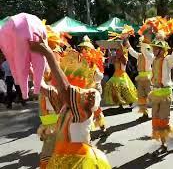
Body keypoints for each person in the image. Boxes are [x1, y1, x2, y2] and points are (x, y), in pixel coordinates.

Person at [29, 34, 111, 169]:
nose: (58, 86)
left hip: (80, 160)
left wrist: (49, 54)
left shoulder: (90, 95)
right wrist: (31, 71)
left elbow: (65, 89)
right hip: (61, 158)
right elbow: (45, 88)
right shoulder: (62, 98)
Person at [148, 32, 173, 155]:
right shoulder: (153, 60)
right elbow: (144, 51)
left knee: (164, 121)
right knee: (156, 121)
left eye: (155, 48)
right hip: (155, 93)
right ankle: (163, 145)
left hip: (165, 94)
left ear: (161, 50)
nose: (153, 50)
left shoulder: (167, 60)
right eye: (153, 48)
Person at [103, 43, 138, 108]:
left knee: (125, 90)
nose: (117, 52)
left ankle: (130, 102)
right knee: (116, 91)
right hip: (115, 75)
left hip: (122, 75)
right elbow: (110, 59)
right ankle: (120, 105)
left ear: (122, 51)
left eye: (119, 51)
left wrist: (120, 57)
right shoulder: (115, 58)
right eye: (117, 51)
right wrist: (108, 50)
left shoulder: (124, 58)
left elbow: (124, 66)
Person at [127, 37, 154, 121]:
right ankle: (145, 114)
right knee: (141, 97)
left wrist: (145, 46)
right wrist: (128, 45)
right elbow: (132, 52)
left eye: (143, 47)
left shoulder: (150, 56)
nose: (141, 48)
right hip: (140, 78)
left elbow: (149, 56)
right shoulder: (139, 55)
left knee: (151, 97)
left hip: (148, 78)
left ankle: (156, 113)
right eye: (141, 47)